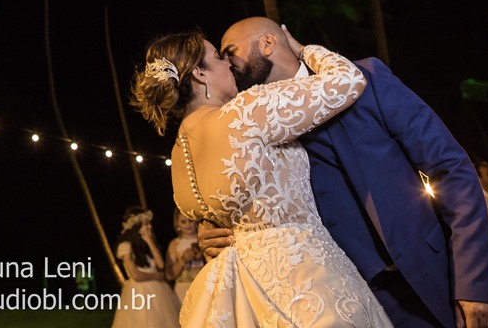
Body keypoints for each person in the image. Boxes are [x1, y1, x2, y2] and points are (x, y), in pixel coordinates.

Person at [207, 17, 488, 328]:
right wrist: (216, 230)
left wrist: (475, 282)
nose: (227, 63)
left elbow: (451, 168)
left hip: (429, 282)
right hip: (336, 306)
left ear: (268, 43)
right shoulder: (246, 128)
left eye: (230, 51)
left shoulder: (367, 77)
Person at [131, 27, 392, 328]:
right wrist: (302, 50)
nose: (229, 64)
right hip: (302, 281)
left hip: (233, 295)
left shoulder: (179, 152)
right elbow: (348, 80)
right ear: (200, 75)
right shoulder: (246, 111)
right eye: (217, 58)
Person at [111, 208, 181, 328]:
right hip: (139, 291)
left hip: (157, 291)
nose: (150, 227)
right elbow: (135, 274)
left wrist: (149, 241)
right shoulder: (126, 246)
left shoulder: (147, 246)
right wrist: (156, 276)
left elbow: (161, 264)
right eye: (145, 224)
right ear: (136, 227)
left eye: (149, 223)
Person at [164, 208, 205, 303]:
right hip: (183, 290)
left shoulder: (204, 239)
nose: (188, 225)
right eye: (183, 222)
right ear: (177, 224)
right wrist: (183, 260)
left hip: (204, 285)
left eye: (190, 221)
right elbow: (169, 275)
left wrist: (202, 258)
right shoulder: (175, 244)